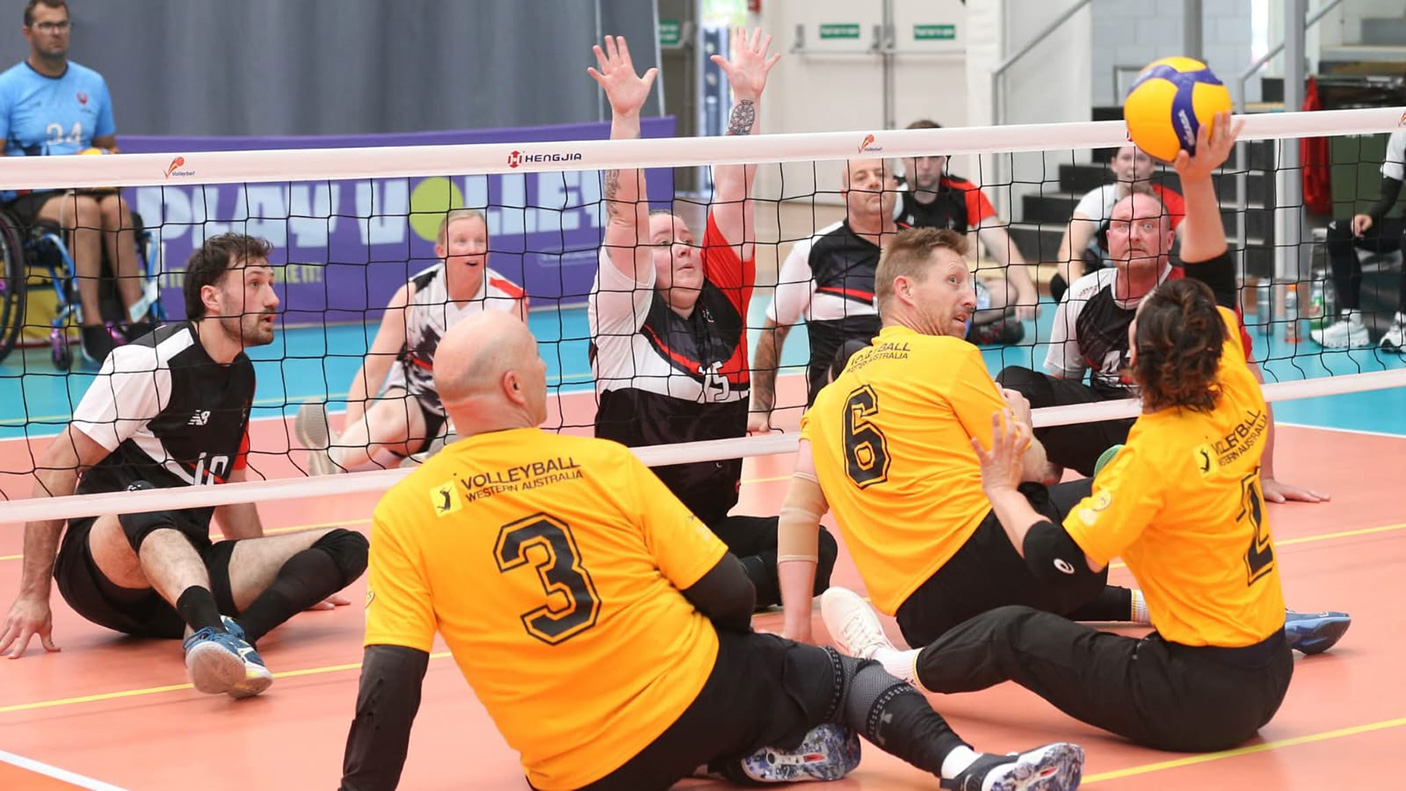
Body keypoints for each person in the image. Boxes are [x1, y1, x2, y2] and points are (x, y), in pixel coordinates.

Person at [337, 307, 1086, 791]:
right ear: (512, 383)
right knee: (828, 672)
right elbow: (729, 593)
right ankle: (969, 770)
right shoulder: (603, 464)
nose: (541, 369)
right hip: (689, 695)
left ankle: (735, 752)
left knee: (726, 692)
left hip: (577, 771)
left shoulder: (403, 512)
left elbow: (388, 692)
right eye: (535, 360)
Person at [819, 116, 1341, 752]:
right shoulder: (1236, 399)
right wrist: (1196, 178)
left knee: (1019, 626)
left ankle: (891, 666)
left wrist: (1002, 488)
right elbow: (1214, 280)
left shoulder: (1146, 460)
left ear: (1134, 367)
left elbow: (1058, 561)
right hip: (1266, 674)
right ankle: (1155, 607)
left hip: (1191, 699)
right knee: (1151, 536)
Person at [0, 233, 369, 701]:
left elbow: (230, 486)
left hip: (186, 572)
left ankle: (233, 639)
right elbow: (57, 466)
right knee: (147, 500)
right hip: (103, 570)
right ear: (210, 298)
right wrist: (34, 593)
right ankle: (208, 627)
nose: (272, 298)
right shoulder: (148, 363)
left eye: (270, 283)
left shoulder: (241, 372)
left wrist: (274, 574)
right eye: (254, 283)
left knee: (347, 545)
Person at [588, 30, 835, 607]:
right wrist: (626, 120)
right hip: (634, 531)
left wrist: (746, 99)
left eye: (685, 239)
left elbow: (734, 188)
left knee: (812, 549)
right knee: (746, 575)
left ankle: (696, 591)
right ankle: (696, 588)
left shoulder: (723, 296)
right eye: (663, 242)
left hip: (705, 530)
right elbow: (625, 217)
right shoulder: (623, 313)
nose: (680, 247)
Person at [996, 189, 1327, 505]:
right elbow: (1059, 383)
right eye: (1123, 225)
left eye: (1148, 226)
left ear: (1169, 240)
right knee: (1016, 384)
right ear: (1108, 238)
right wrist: (1051, 453)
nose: (1134, 235)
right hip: (1105, 424)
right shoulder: (1082, 294)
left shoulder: (1194, 300)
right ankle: (1114, 471)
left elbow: (1252, 387)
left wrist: (1265, 475)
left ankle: (1135, 475)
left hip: (1174, 431)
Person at [295, 209, 527, 475]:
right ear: (441, 250)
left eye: (480, 241)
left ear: (488, 252)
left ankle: (431, 459)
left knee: (456, 433)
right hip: (412, 406)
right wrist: (352, 430)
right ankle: (334, 456)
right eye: (461, 241)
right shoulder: (413, 294)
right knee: (386, 415)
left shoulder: (509, 300)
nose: (472, 248)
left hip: (468, 407)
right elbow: (373, 372)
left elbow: (518, 376)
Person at [0, 0, 151, 364]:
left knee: (116, 208)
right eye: (47, 25)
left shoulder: (92, 83)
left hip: (88, 185)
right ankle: (92, 325)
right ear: (28, 32)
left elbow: (107, 146)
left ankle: (139, 321)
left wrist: (107, 163)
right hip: (31, 198)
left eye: (62, 25)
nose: (56, 32)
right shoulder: (8, 87)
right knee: (84, 210)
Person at [749, 157, 902, 429]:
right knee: (854, 352)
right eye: (861, 177)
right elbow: (774, 331)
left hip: (904, 384)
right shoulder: (814, 250)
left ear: (894, 185)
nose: (874, 182)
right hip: (838, 393)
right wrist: (760, 410)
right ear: (845, 195)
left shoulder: (918, 248)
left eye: (881, 174)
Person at [898, 119, 1038, 343]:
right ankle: (965, 332)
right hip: (904, 291)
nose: (925, 165)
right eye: (917, 157)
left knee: (1009, 293)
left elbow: (1000, 244)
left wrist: (1028, 291)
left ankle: (945, 330)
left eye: (933, 157)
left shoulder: (964, 192)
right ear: (903, 157)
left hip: (948, 290)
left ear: (944, 157)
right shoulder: (889, 194)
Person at [1048, 144, 1186, 304]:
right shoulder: (1098, 200)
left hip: (1150, 276)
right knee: (1060, 284)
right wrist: (1081, 294)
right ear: (1114, 164)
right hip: (1107, 277)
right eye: (1126, 158)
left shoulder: (1170, 201)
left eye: (1141, 158)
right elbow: (1069, 251)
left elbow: (1193, 246)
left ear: (1152, 165)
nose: (1133, 165)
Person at [1310, 127, 1406, 350]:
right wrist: (1369, 215)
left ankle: (1403, 323)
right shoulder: (1402, 134)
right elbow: (1387, 193)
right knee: (1339, 231)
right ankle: (1352, 321)